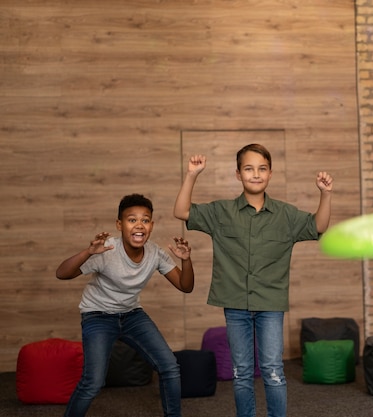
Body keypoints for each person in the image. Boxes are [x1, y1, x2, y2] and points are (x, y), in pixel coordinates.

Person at [173, 143, 333, 417]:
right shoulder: (221, 212)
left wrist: (325, 194)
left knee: (273, 370)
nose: (255, 174)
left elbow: (318, 226)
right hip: (235, 304)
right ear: (238, 174)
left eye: (262, 169)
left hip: (270, 304)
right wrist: (191, 175)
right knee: (242, 372)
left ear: (270, 174)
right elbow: (182, 212)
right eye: (248, 169)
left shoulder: (285, 214)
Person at [56, 193, 195, 417]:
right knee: (93, 382)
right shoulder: (107, 250)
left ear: (151, 225)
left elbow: (185, 286)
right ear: (119, 225)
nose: (139, 225)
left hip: (131, 315)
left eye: (145, 220)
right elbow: (61, 273)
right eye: (132, 220)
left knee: (170, 367)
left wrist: (186, 260)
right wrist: (88, 252)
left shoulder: (155, 253)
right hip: (98, 316)